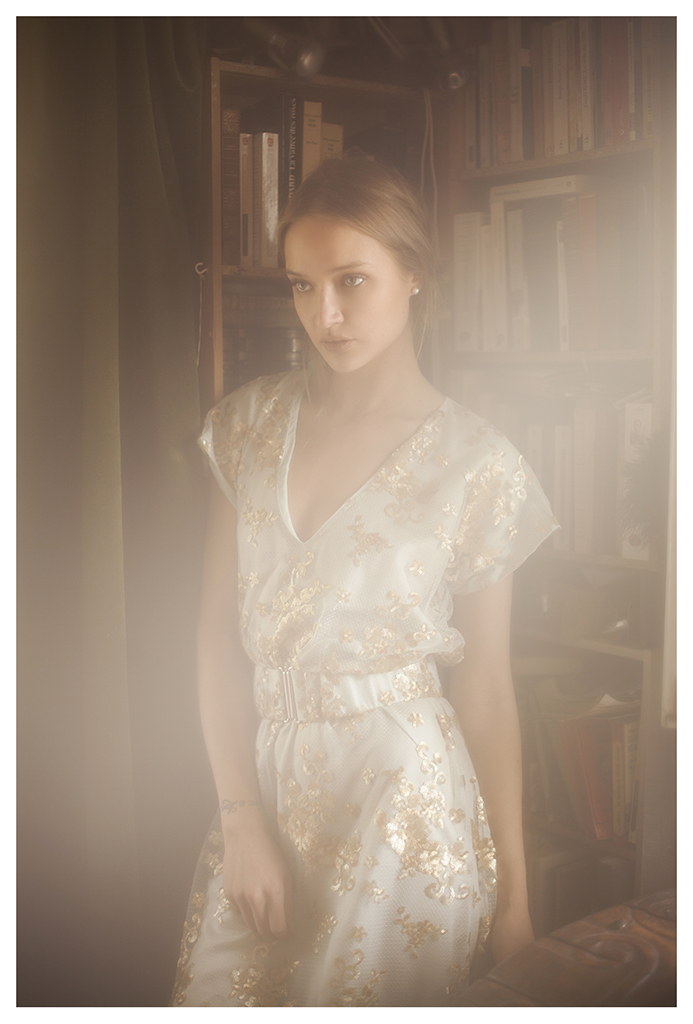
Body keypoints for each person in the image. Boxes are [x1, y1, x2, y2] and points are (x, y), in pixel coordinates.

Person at [171, 154, 558, 1007]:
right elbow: (212, 640)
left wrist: (516, 905)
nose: (326, 314)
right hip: (268, 793)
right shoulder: (247, 426)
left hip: (404, 808)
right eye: (302, 287)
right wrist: (240, 818)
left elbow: (487, 690)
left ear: (412, 272)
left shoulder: (478, 464)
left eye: (351, 280)